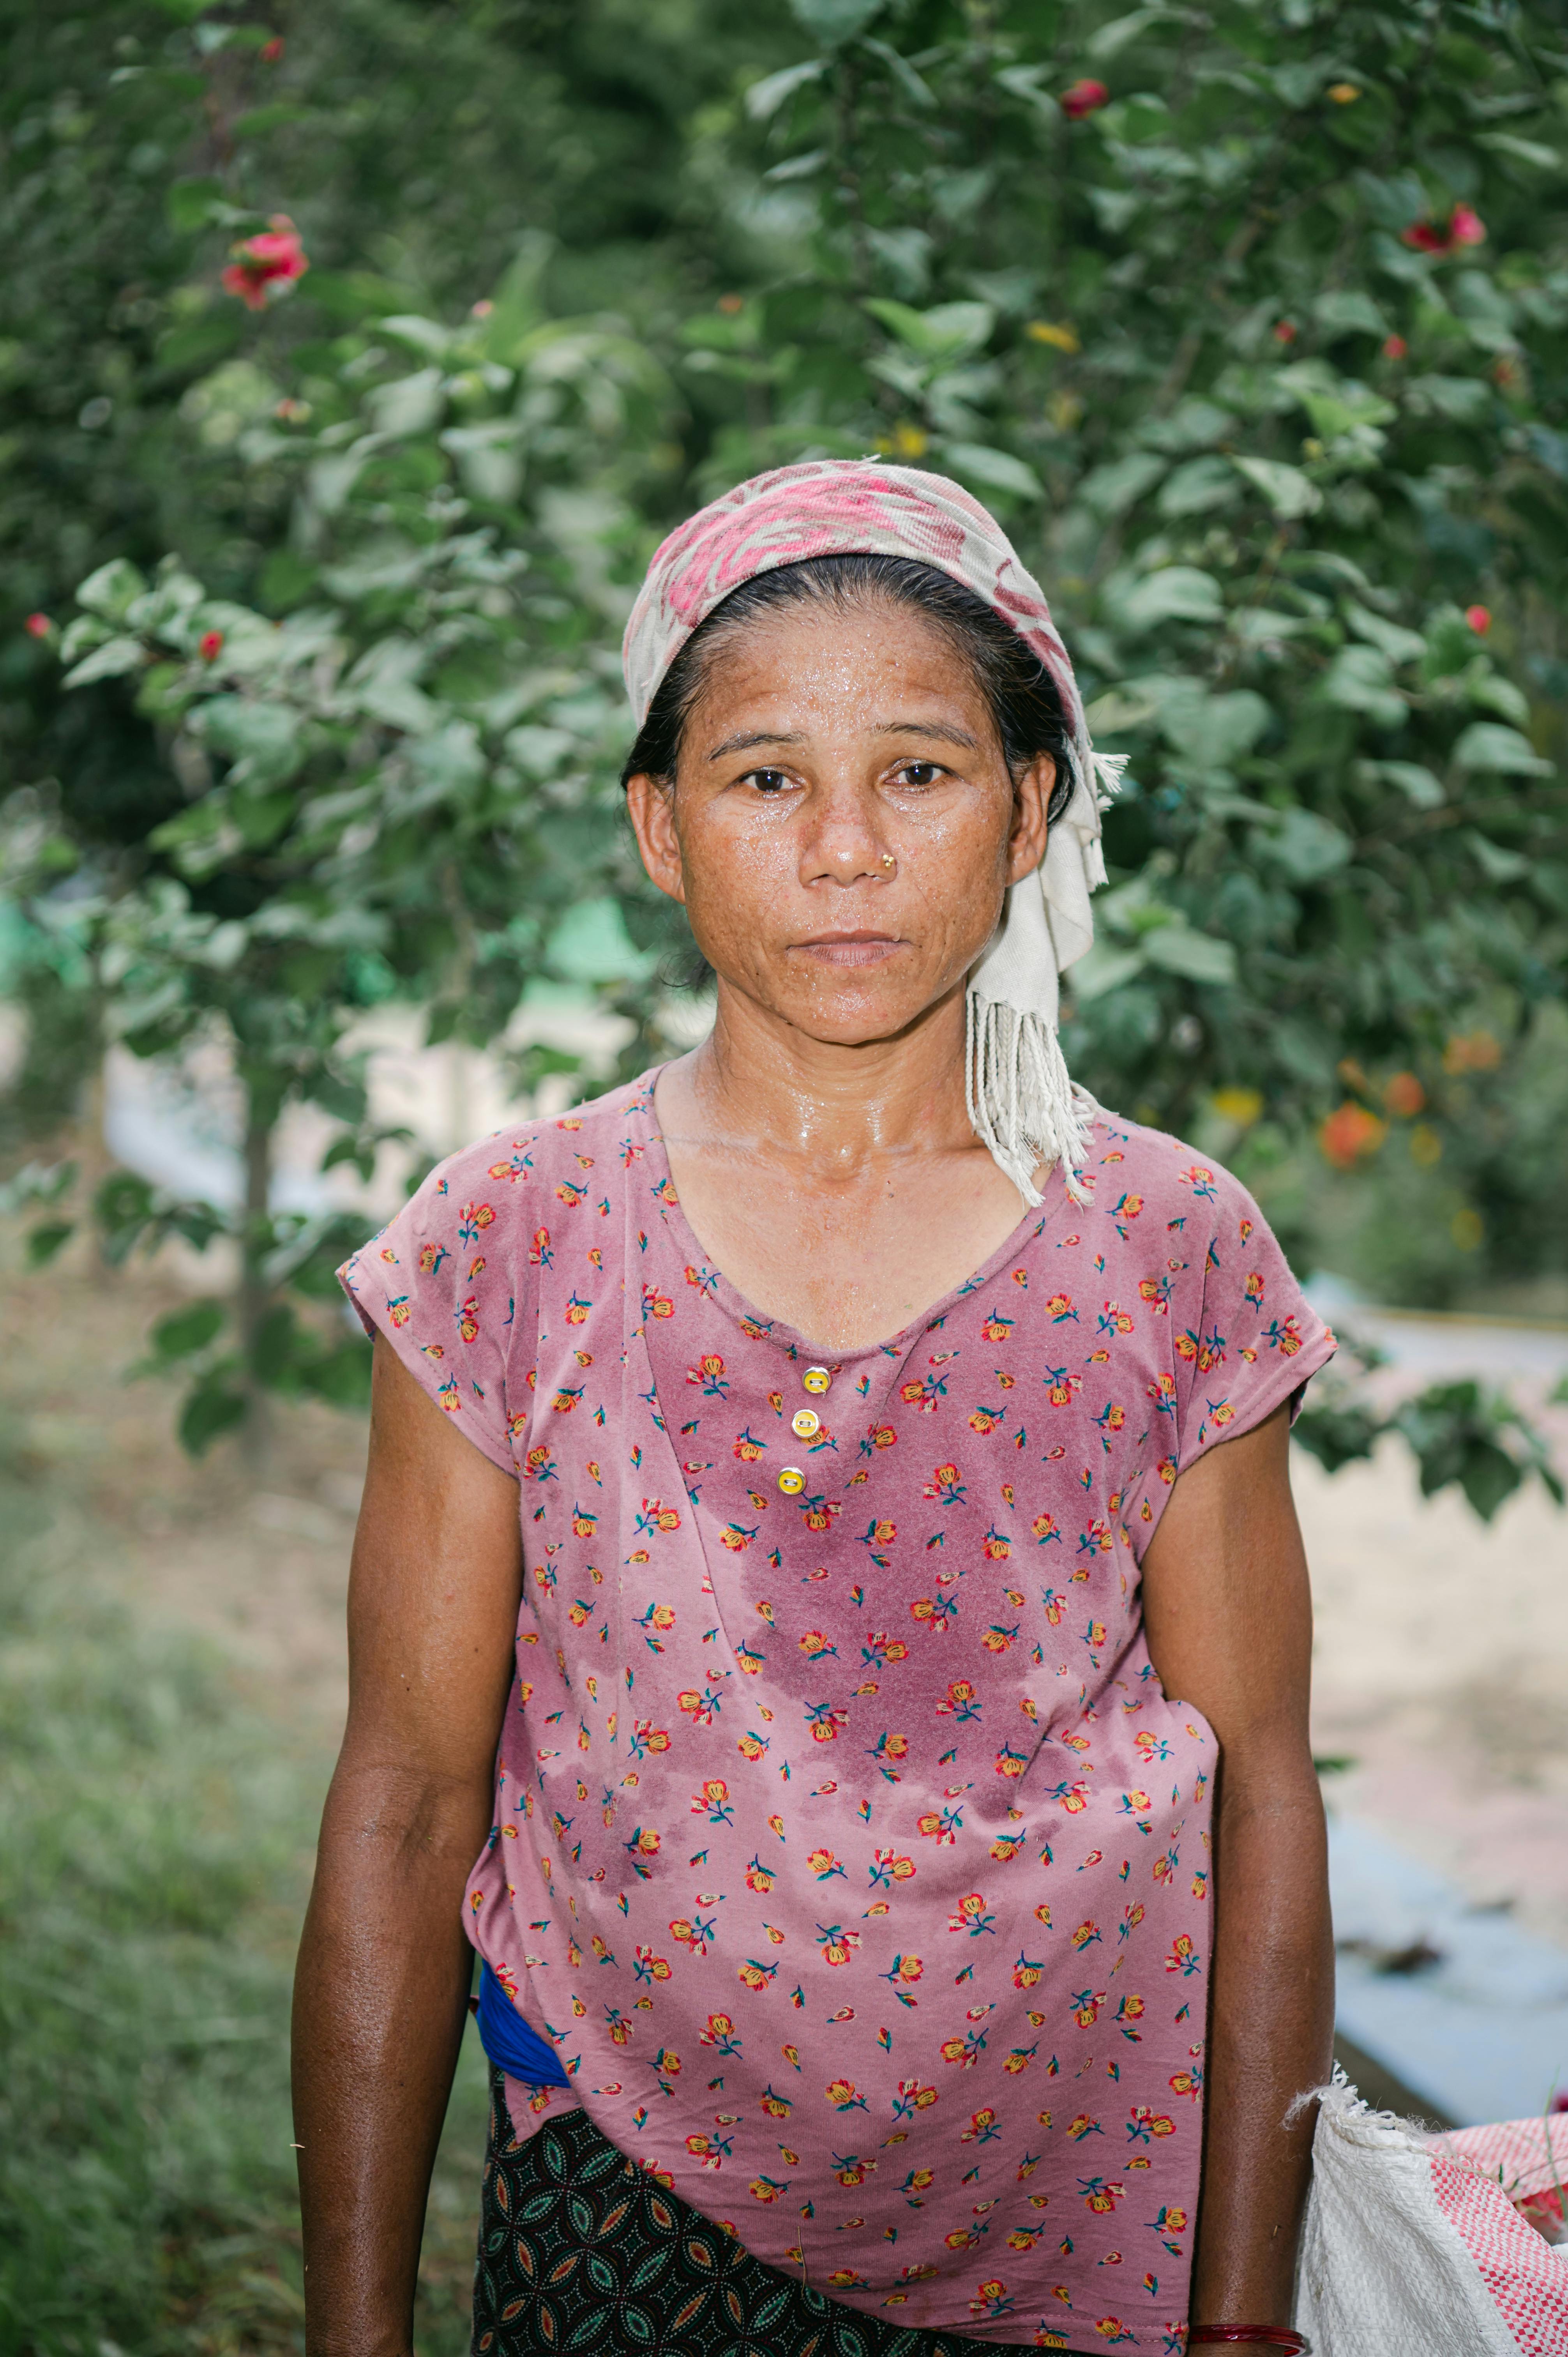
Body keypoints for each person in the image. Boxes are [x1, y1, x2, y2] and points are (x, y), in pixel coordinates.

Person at [293, 461, 1336, 2357]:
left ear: (1028, 812)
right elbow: (405, 1795)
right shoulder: (509, 1243)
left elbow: (1260, 1785)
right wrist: (354, 2331)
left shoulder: (1172, 1244)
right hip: (623, 2183)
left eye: (919, 774)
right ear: (659, 828)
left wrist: (1246, 2316)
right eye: (766, 776)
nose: (844, 844)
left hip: (1082, 2192)